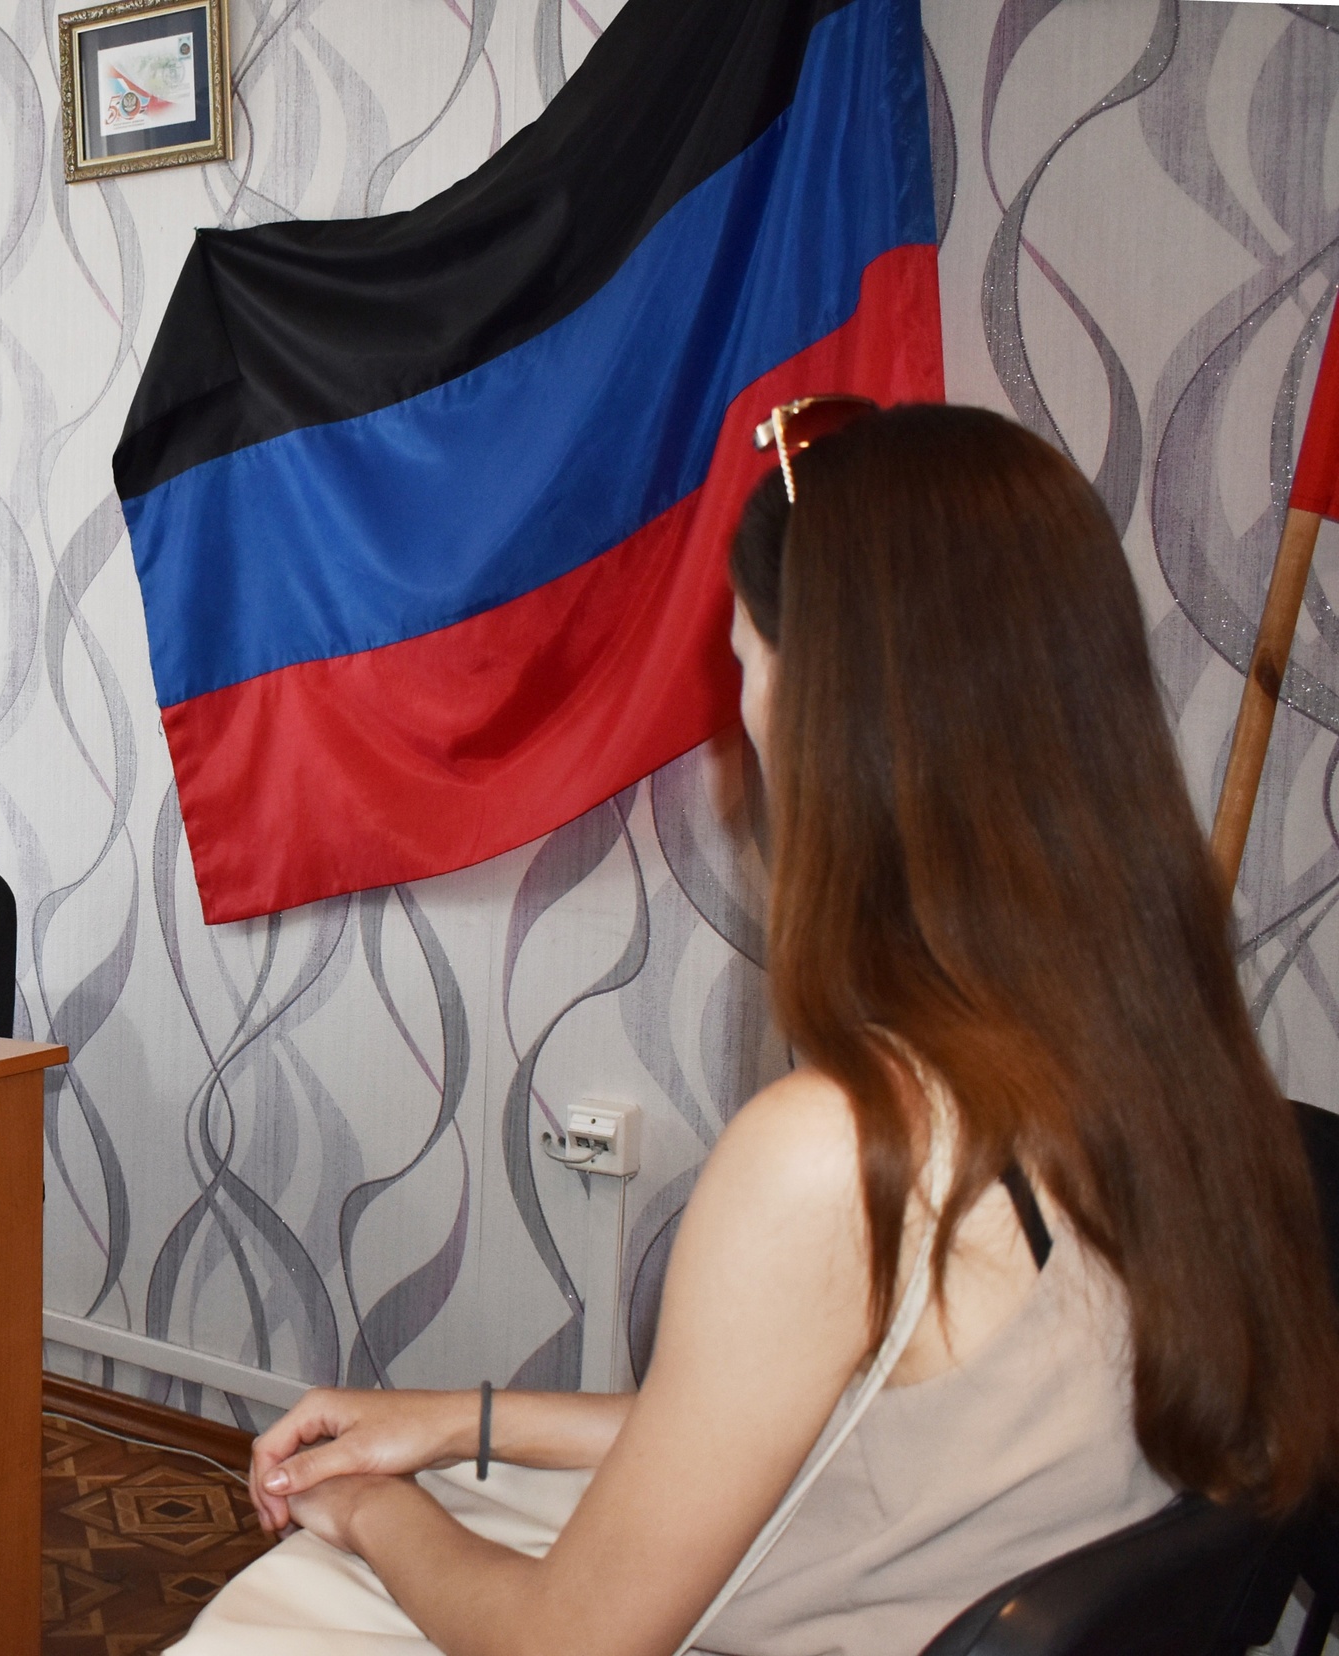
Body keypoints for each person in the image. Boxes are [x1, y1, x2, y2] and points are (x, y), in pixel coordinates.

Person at [173, 403, 1339, 1655]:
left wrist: (365, 1512)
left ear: (822, 715)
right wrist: (462, 1421)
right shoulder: (1174, 1071)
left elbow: (564, 1644)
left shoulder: (838, 1152)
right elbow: (822, 1424)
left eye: (743, 657)